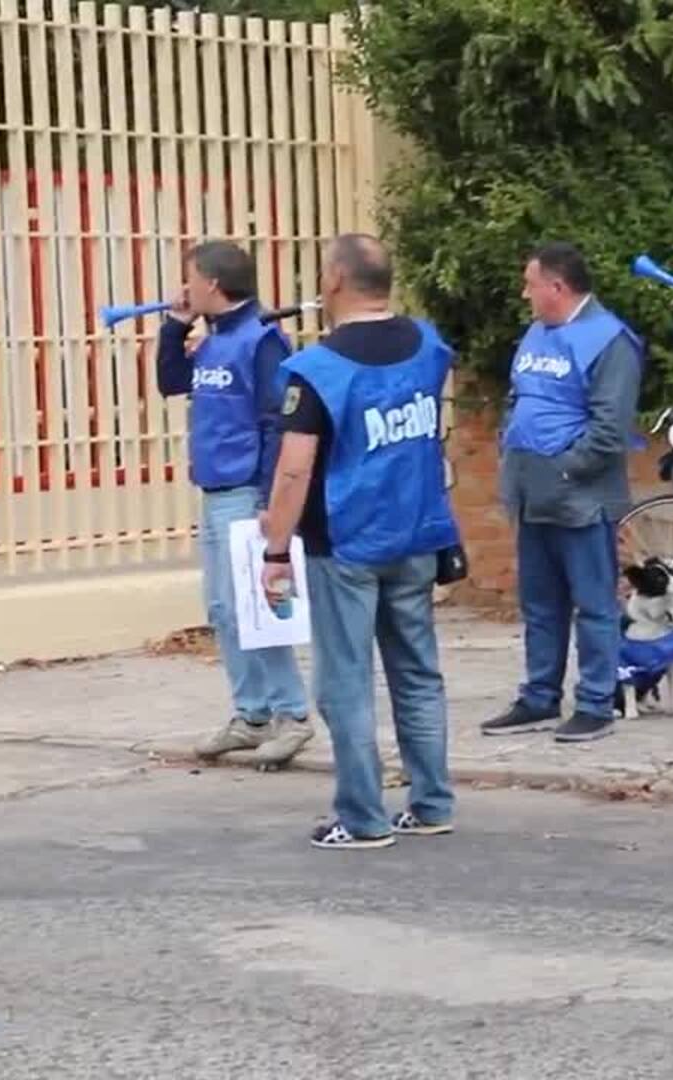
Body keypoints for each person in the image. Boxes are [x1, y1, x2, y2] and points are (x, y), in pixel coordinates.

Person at [260, 234, 459, 850]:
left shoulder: (316, 370)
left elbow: (295, 469)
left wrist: (274, 550)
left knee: (345, 682)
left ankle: (364, 816)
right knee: (417, 673)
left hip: (346, 544)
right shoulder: (427, 345)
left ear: (338, 280)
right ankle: (430, 804)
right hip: (417, 532)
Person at [156, 240, 313, 768]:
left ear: (213, 284)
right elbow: (170, 382)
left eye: (191, 279)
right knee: (224, 609)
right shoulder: (214, 339)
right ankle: (251, 714)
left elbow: (278, 420)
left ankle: (291, 714)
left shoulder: (262, 341)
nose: (185, 288)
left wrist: (273, 499)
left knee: (257, 608)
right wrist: (175, 327)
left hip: (246, 490)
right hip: (215, 488)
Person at [481, 243, 645, 743]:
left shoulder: (609, 340)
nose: (525, 293)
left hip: (580, 498)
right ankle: (539, 696)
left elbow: (610, 426)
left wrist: (569, 470)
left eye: (531, 284)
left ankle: (596, 702)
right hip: (532, 495)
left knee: (594, 603)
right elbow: (519, 396)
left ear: (557, 287)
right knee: (541, 604)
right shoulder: (537, 333)